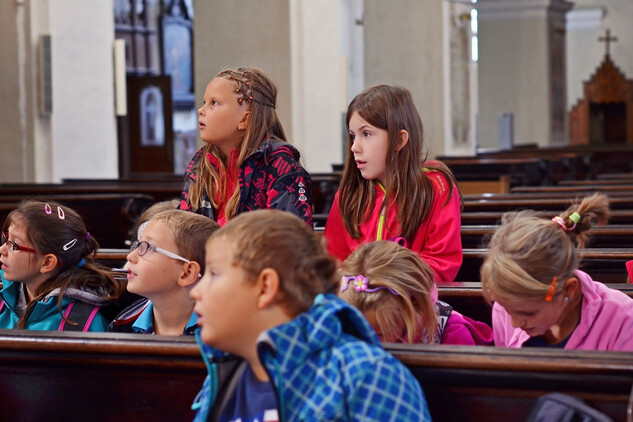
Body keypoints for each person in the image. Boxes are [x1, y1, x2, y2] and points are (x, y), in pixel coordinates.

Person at [190, 209, 431, 421]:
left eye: (214, 273)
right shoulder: (223, 377)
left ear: (265, 287)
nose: (196, 292)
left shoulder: (366, 376)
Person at [324, 84, 462, 283]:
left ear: (399, 140)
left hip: (412, 304)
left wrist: (382, 283)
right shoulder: (348, 195)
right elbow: (334, 261)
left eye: (367, 134)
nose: (355, 147)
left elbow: (441, 264)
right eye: (353, 136)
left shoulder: (435, 188)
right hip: (357, 305)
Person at [481, 193, 633, 351]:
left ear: (569, 289)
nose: (515, 323)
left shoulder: (623, 319)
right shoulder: (504, 306)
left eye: (528, 312)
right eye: (509, 312)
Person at [178, 67, 312, 226]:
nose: (201, 110)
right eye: (204, 102)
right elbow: (184, 231)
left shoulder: (281, 168)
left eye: (214, 103)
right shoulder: (201, 164)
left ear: (245, 119)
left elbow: (291, 239)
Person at [0, 200, 125, 331]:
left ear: (47, 263)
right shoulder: (4, 297)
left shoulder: (84, 323)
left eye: (14, 245)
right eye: (6, 239)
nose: (2, 249)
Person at [339, 240, 492, 345]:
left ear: (414, 307)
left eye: (380, 333)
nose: (365, 342)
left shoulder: (452, 334)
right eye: (355, 331)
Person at [109, 210, 219, 335]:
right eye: (138, 245)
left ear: (187, 273)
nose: (130, 256)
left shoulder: (221, 332)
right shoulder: (122, 324)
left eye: (148, 247)